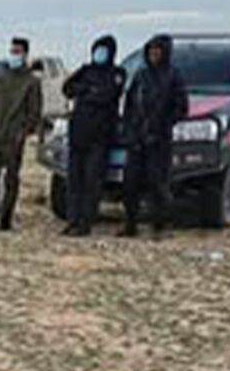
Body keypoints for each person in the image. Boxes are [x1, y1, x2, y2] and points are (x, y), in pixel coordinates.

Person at [120, 34, 189, 238]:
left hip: (159, 141)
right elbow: (130, 104)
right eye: (150, 51)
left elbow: (181, 108)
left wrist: (163, 125)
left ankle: (159, 226)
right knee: (130, 184)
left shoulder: (173, 76)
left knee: (158, 185)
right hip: (137, 139)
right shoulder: (140, 75)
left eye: (157, 51)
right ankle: (130, 224)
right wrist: (129, 129)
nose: (154, 55)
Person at [61, 35, 125, 237]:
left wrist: (87, 92)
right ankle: (72, 220)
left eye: (103, 50)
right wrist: (87, 90)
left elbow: (107, 95)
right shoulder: (86, 70)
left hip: (100, 137)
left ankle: (85, 223)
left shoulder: (117, 73)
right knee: (74, 182)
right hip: (78, 134)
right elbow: (67, 88)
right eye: (97, 49)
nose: (99, 54)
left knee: (92, 182)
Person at [0, 37, 43, 231]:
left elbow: (35, 112)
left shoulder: (31, 82)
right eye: (12, 51)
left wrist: (24, 133)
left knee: (11, 180)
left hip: (14, 138)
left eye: (17, 52)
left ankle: (5, 218)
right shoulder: (1, 78)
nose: (13, 55)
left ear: (25, 55)